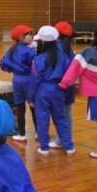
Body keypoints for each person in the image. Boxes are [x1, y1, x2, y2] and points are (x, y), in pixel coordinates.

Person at [28, 26, 74, 155]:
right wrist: (64, 91)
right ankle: (69, 146)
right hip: (58, 89)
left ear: (42, 42)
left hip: (43, 90)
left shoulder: (39, 59)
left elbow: (34, 80)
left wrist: (31, 98)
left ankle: (44, 148)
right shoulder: (64, 56)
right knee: (60, 118)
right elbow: (68, 75)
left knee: (42, 119)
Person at [0, 24, 37, 142]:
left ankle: (22, 135)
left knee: (20, 108)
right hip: (30, 80)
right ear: (21, 37)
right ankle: (39, 133)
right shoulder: (30, 51)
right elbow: (37, 65)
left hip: (17, 80)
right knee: (34, 107)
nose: (32, 36)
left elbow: (2, 64)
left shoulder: (11, 50)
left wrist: (12, 69)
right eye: (29, 34)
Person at [50, 21, 76, 150]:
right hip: (69, 86)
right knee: (67, 112)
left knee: (60, 114)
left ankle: (62, 141)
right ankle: (64, 139)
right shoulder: (70, 51)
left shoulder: (56, 50)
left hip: (59, 86)